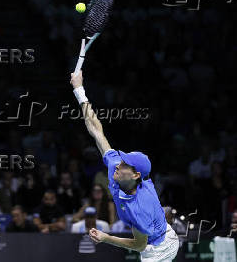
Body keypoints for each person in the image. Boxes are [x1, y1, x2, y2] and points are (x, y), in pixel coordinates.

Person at [70, 71, 179, 261]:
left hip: (160, 248)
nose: (118, 165)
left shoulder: (139, 207)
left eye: (125, 165)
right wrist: (79, 89)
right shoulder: (116, 167)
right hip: (155, 230)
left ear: (136, 175)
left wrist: (105, 237)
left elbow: (139, 244)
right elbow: (95, 129)